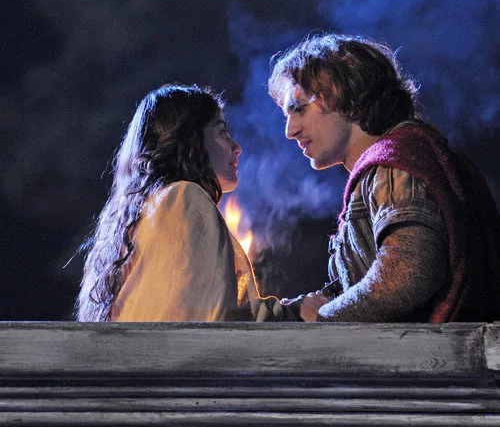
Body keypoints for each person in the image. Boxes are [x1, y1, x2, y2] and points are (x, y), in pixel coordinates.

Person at [269, 33, 500, 323]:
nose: (290, 130)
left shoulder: (395, 164)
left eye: (299, 109)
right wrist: (321, 303)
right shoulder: (412, 157)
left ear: (343, 94)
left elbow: (407, 274)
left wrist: (325, 318)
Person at [77, 84, 290, 322]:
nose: (236, 147)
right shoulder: (183, 199)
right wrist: (296, 312)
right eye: (221, 132)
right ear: (191, 139)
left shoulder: (150, 209)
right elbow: (214, 317)